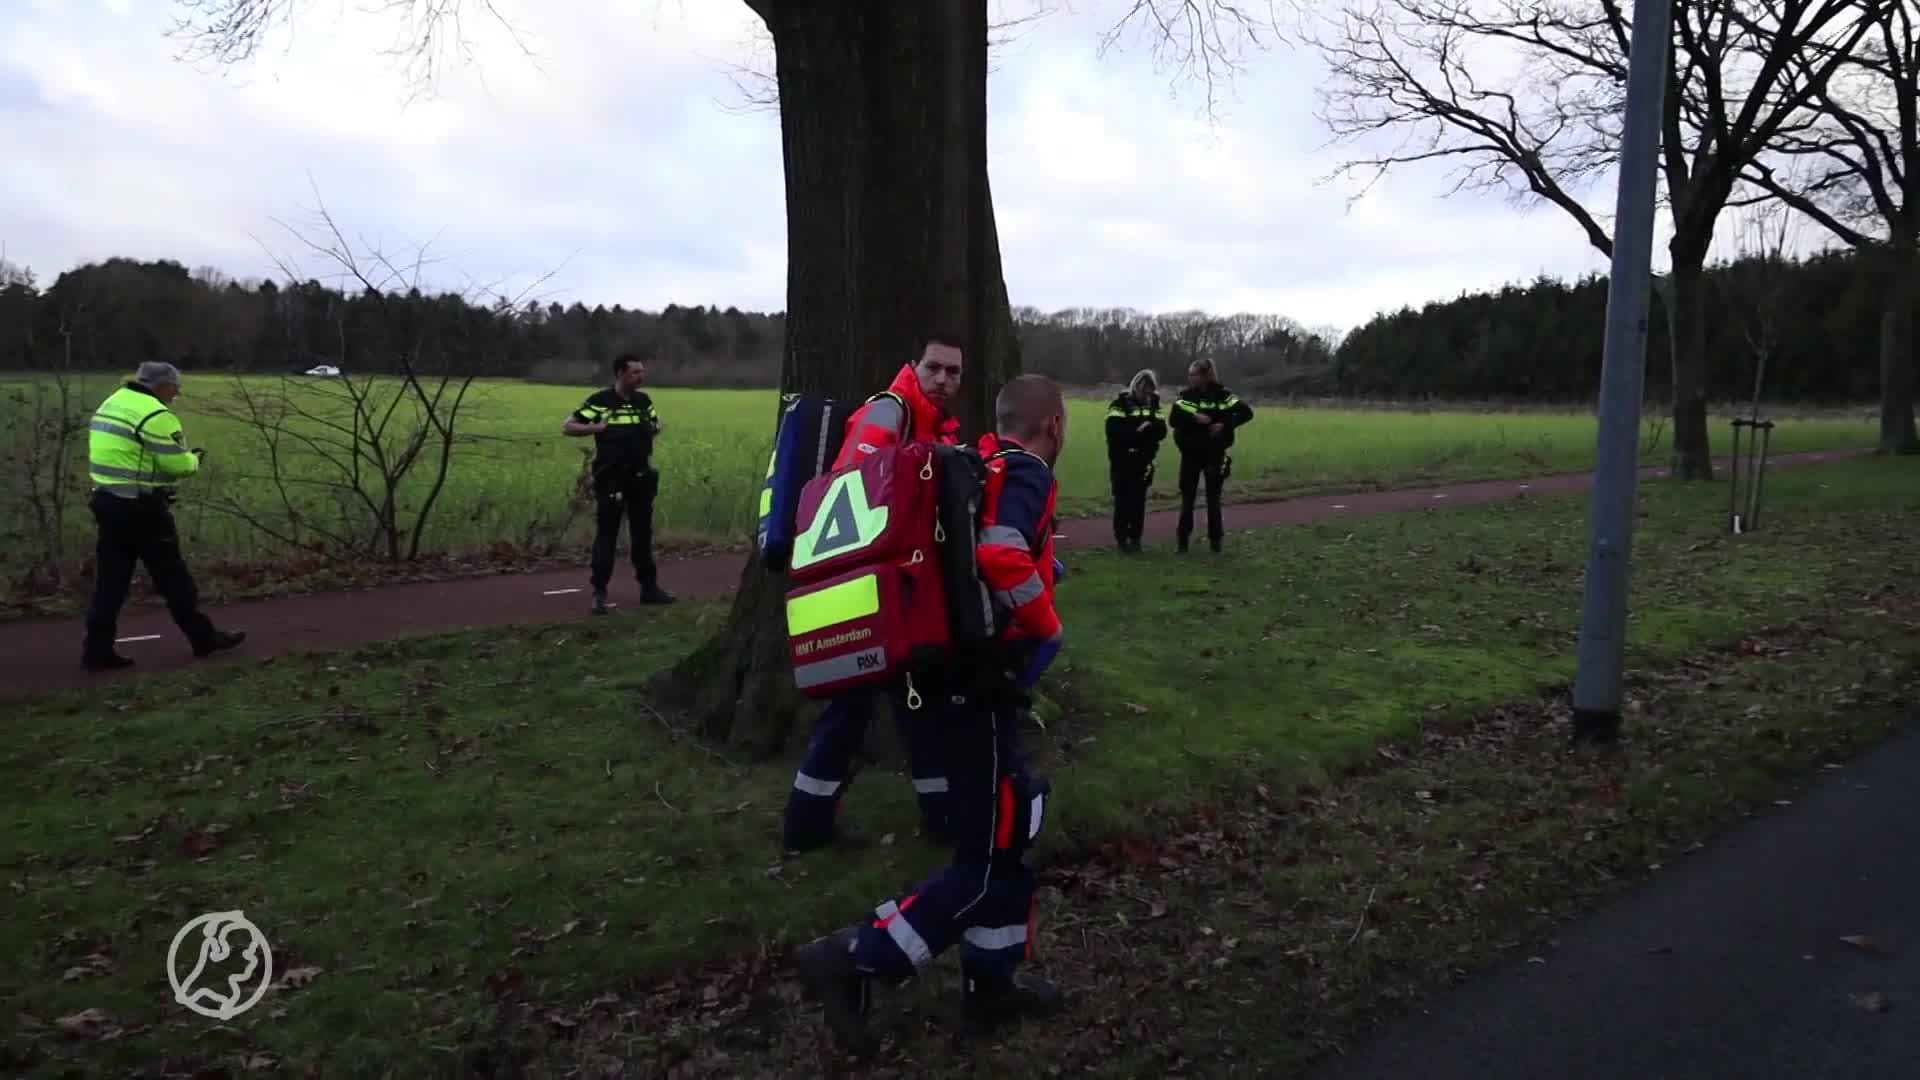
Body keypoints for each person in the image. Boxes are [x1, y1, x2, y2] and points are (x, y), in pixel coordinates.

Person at [794, 373, 1069, 1055]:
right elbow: (1002, 553)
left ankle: (991, 982)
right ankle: (857, 958)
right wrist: (1046, 624)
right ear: (1055, 425)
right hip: (979, 689)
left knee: (1008, 835)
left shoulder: (979, 465)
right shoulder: (1027, 471)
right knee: (984, 859)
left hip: (952, 682)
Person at [781, 335, 965, 854]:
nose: (945, 380)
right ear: (912, 367)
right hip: (873, 593)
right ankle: (810, 822)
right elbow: (849, 492)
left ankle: (933, 815)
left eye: (954, 372)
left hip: (900, 592)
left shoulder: (936, 427)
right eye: (935, 368)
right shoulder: (889, 413)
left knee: (898, 705)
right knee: (863, 707)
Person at [80, 361, 245, 672]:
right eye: (175, 387)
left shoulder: (113, 402)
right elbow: (176, 466)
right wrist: (194, 460)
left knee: (111, 584)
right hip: (143, 510)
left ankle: (96, 651)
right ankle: (204, 639)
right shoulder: (156, 415)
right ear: (161, 386)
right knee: (175, 581)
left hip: (108, 502)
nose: (177, 393)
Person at [563, 352, 675, 614]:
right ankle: (599, 593)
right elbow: (568, 426)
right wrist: (596, 429)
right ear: (620, 374)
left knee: (642, 535)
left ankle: (649, 589)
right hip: (611, 477)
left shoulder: (643, 401)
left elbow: (656, 424)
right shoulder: (600, 402)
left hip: (640, 477)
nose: (641, 377)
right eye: (635, 372)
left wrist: (651, 430)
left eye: (642, 372)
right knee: (607, 536)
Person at [1168, 356, 1255, 554]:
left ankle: (1216, 543)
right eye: (1189, 374)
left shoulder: (1224, 396)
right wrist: (1194, 417)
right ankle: (1182, 543)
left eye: (1194, 374)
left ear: (1205, 375)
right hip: (1190, 453)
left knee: (1213, 500)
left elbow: (1246, 412)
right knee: (1187, 499)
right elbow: (1174, 419)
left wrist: (1225, 425)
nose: (1190, 378)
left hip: (1214, 453)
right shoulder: (1187, 396)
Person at [1104, 368, 1167, 553]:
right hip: (1122, 460)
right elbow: (1114, 433)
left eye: (1148, 390)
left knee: (1139, 501)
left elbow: (1161, 431)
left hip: (1144, 459)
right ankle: (1121, 539)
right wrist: (1140, 432)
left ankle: (1136, 539)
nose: (1145, 393)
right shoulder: (1119, 404)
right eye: (1142, 389)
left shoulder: (1154, 405)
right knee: (1122, 500)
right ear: (1135, 386)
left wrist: (1145, 429)